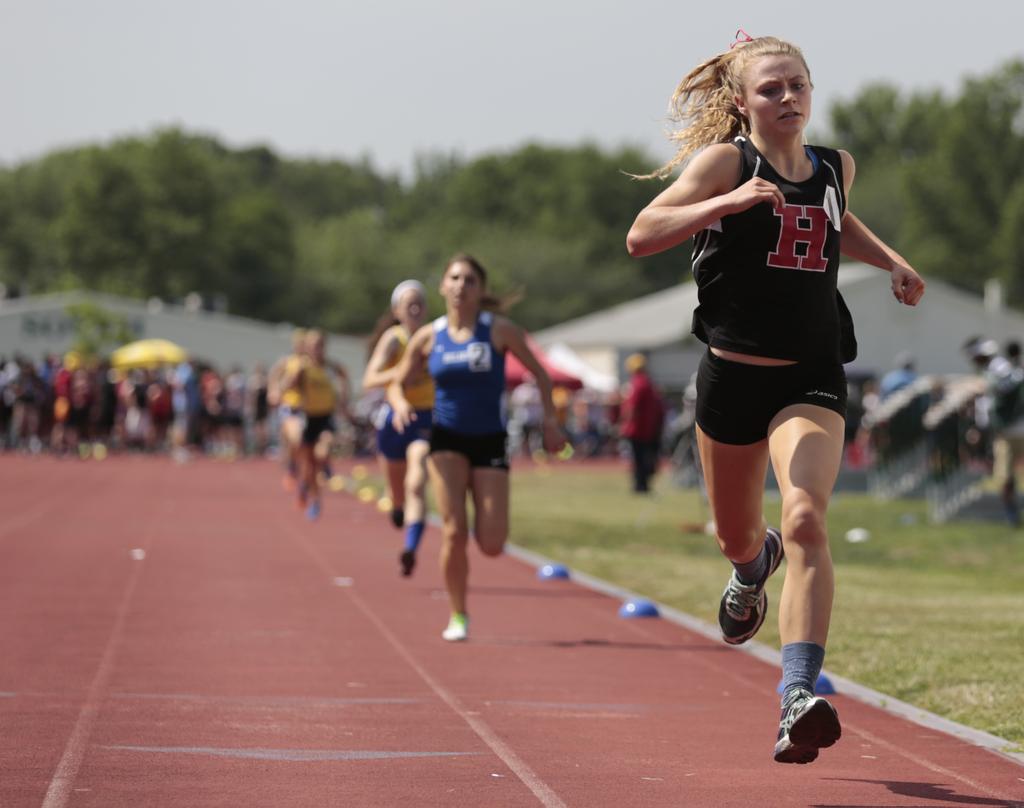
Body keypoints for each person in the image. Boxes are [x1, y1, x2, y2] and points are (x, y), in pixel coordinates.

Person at [626, 33, 925, 764]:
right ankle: (749, 566)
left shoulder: (836, 165)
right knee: (738, 536)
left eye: (798, 85)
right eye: (771, 89)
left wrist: (891, 260)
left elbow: (834, 216)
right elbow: (641, 234)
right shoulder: (726, 163)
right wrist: (724, 203)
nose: (788, 98)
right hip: (732, 378)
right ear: (742, 101)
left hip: (811, 375)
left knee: (806, 518)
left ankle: (796, 695)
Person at [389, 253, 564, 641]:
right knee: (453, 531)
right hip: (446, 439)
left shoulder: (499, 330)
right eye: (454, 278)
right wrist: (400, 404)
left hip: (489, 440)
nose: (461, 286)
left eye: (469, 280)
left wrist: (550, 421)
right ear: (442, 286)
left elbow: (540, 374)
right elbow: (398, 382)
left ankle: (471, 574)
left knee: (491, 543)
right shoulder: (428, 336)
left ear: (481, 289)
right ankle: (458, 614)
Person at [362, 280, 435, 576]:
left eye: (419, 303)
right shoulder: (394, 339)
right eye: (409, 304)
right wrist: (403, 371)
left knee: (416, 480)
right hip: (395, 419)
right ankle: (396, 505)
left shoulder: (435, 337)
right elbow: (370, 379)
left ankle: (410, 547)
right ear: (397, 311)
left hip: (425, 419)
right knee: (398, 492)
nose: (415, 309)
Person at [284, 329, 351, 520]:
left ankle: (323, 466)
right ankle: (313, 498)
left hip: (326, 417)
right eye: (313, 345)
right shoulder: (302, 367)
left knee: (323, 450)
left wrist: (343, 402)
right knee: (309, 466)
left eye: (320, 345)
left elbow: (344, 377)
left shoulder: (331, 367)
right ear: (307, 347)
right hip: (308, 417)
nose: (317, 349)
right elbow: (287, 386)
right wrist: (294, 379)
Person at [619, 353, 665, 493]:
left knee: (638, 459)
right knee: (645, 458)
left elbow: (632, 407)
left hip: (637, 429)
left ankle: (640, 486)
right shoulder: (649, 383)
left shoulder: (637, 383)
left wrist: (624, 424)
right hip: (649, 428)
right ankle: (643, 485)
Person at [268, 329, 308, 491]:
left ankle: (302, 470)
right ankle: (292, 468)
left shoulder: (312, 362)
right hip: (291, 407)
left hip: (308, 409)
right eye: (300, 344)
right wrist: (274, 391)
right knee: (295, 440)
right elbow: (274, 374)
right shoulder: (288, 361)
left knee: (306, 444)